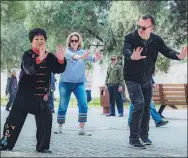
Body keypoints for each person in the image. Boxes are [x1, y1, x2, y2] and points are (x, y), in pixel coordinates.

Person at [123, 14, 187, 149]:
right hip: (132, 78)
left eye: (144, 27)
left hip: (146, 78)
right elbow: (126, 49)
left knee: (146, 106)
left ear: (151, 28)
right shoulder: (130, 37)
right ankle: (133, 139)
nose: (140, 29)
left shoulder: (156, 40)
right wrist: (131, 56)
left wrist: (179, 56)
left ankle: (144, 136)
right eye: (138, 26)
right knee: (139, 104)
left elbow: (166, 50)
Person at [0, 28, 67, 153]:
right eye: (36, 39)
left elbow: (58, 69)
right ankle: (5, 144)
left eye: (42, 39)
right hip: (24, 96)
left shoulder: (49, 56)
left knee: (46, 119)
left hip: (41, 97)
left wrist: (61, 59)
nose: (40, 41)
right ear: (31, 42)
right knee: (13, 121)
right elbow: (29, 70)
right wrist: (39, 59)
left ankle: (42, 147)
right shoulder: (27, 55)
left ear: (45, 41)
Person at [54, 32, 102, 136]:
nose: (74, 42)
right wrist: (81, 57)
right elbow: (74, 56)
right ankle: (60, 127)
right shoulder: (66, 52)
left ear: (79, 41)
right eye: (72, 41)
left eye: (76, 40)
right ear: (69, 42)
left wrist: (96, 58)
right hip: (65, 83)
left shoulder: (83, 52)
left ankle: (82, 129)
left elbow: (92, 58)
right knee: (63, 105)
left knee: (83, 104)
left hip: (79, 83)